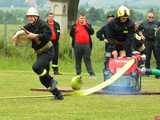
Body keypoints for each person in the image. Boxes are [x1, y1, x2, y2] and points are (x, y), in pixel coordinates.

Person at [12, 7, 64, 100]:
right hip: (40, 53)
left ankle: (52, 81)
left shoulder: (43, 25)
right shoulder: (30, 25)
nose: (30, 18)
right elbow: (22, 30)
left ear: (36, 17)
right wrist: (16, 35)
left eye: (32, 16)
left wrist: (35, 35)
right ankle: (58, 94)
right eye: (29, 16)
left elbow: (48, 36)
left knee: (36, 67)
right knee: (42, 79)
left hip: (48, 51)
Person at [97, 5, 135, 70]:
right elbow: (110, 37)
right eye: (123, 18)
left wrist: (124, 49)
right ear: (119, 16)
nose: (124, 19)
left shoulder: (130, 24)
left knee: (127, 61)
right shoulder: (111, 24)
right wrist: (114, 49)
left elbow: (130, 38)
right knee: (108, 59)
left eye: (126, 18)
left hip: (125, 45)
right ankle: (107, 73)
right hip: (112, 44)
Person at [70, 13, 95, 77]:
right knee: (78, 59)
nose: (82, 19)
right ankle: (78, 73)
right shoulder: (74, 26)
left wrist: (85, 26)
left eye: (83, 18)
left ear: (85, 19)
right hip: (77, 45)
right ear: (78, 18)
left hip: (86, 45)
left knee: (87, 59)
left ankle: (91, 73)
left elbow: (92, 32)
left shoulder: (88, 25)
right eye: (81, 18)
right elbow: (71, 34)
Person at [138, 12, 160, 78]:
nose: (151, 18)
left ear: (154, 17)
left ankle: (158, 74)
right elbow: (139, 30)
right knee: (147, 58)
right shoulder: (144, 23)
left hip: (155, 42)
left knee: (158, 58)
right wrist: (141, 35)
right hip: (147, 42)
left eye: (152, 17)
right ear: (147, 17)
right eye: (150, 17)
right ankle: (147, 73)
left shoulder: (157, 23)